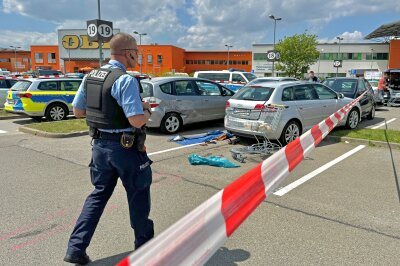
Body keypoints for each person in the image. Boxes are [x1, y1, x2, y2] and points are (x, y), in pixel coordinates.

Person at [64, 32, 154, 265]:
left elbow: (78, 111)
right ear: (128, 53)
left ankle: (75, 248)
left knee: (97, 196)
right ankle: (145, 248)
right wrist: (147, 111)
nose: (138, 56)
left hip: (99, 149)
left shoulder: (91, 76)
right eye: (136, 52)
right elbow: (135, 120)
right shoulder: (125, 80)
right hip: (125, 150)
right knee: (138, 196)